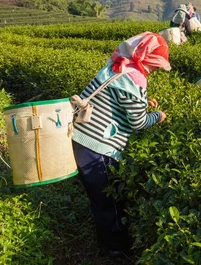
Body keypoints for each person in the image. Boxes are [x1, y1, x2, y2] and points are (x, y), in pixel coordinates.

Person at [71, 32, 170, 257]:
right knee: (110, 201)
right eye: (154, 65)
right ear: (146, 59)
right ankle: (115, 250)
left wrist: (144, 102)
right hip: (99, 147)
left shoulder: (117, 66)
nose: (154, 70)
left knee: (99, 198)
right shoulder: (136, 78)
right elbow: (138, 122)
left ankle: (105, 243)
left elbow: (120, 99)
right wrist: (158, 116)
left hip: (82, 140)